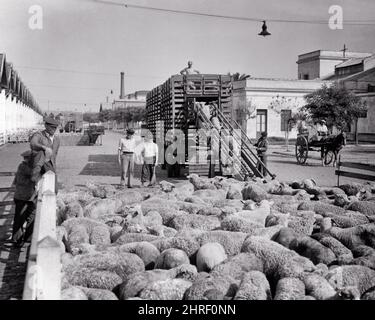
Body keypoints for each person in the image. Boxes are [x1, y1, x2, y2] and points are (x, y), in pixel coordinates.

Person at [10, 150, 40, 246]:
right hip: (22, 197)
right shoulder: (24, 167)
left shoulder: (26, 167)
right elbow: (33, 175)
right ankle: (17, 241)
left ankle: (28, 239)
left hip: (29, 197)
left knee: (31, 216)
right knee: (20, 219)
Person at [29, 117, 60, 193]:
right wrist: (44, 147)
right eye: (52, 127)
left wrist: (54, 167)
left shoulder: (57, 139)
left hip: (50, 165)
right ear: (46, 126)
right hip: (38, 165)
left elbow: (55, 155)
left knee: (54, 189)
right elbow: (33, 143)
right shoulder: (39, 135)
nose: (54, 129)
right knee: (37, 189)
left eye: (55, 128)